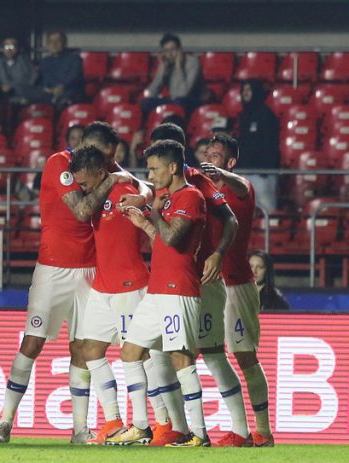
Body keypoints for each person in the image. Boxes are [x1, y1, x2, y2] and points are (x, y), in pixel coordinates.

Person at [0, 122, 145, 445]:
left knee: (82, 350)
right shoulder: (59, 163)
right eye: (105, 158)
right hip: (53, 269)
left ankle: (80, 430)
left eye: (111, 161)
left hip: (90, 272)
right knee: (32, 343)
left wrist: (138, 191)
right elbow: (83, 211)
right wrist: (115, 179)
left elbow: (143, 186)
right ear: (86, 147)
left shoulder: (106, 167)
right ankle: (4, 422)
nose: (108, 165)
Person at [146, 123, 243, 448]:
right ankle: (176, 427)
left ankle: (240, 431)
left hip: (203, 278)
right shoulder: (159, 184)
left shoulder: (196, 181)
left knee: (212, 354)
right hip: (172, 280)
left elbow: (230, 219)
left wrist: (218, 254)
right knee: (159, 353)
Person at [110, 139, 209, 447]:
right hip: (157, 289)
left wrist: (150, 211)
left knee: (180, 357)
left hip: (179, 289)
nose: (150, 176)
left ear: (172, 167)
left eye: (154, 169)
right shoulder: (166, 198)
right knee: (130, 352)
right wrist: (145, 224)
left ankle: (200, 434)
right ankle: (141, 425)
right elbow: (161, 241)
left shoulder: (190, 197)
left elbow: (176, 238)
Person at [69, 146, 149, 444]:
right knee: (90, 350)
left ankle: (146, 425)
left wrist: (142, 196)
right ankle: (114, 422)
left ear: (101, 173)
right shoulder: (99, 195)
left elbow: (151, 199)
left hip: (130, 286)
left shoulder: (127, 191)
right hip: (102, 287)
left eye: (86, 183)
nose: (83, 190)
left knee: (140, 357)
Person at [201, 135, 276, 447]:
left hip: (236, 283)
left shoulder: (239, 188)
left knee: (245, 357)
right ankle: (237, 430)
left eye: (216, 155)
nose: (209, 159)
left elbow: (243, 185)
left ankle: (264, 432)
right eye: (207, 153)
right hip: (208, 284)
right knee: (208, 354)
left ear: (230, 162)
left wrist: (224, 176)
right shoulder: (199, 190)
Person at [236, 79, 280, 213]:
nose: (245, 93)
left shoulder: (266, 115)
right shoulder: (243, 116)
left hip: (262, 175)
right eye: (243, 90)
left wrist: (264, 171)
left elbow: (269, 145)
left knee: (267, 211)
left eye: (248, 90)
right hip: (244, 174)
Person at [142, 33, 204, 116]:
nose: (170, 54)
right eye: (166, 51)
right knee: (146, 103)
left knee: (180, 101)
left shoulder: (192, 62)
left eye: (173, 49)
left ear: (179, 50)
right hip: (173, 100)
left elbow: (183, 93)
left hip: (192, 101)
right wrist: (161, 70)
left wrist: (179, 67)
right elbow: (151, 93)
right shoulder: (166, 64)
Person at [39, 31, 84, 108]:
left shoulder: (75, 59)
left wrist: (62, 87)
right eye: (51, 42)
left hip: (69, 92)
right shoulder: (45, 61)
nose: (54, 44)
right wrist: (47, 88)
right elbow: (45, 78)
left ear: (64, 44)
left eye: (58, 41)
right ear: (47, 45)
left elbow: (74, 77)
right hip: (50, 92)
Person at [0, 37, 41, 105]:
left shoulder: (25, 60)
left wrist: (25, 88)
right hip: (7, 98)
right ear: (3, 49)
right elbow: (3, 82)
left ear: (17, 48)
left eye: (12, 46)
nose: (9, 49)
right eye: (7, 46)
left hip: (26, 96)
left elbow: (35, 75)